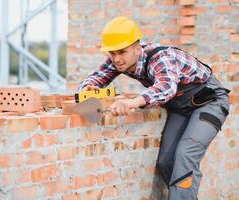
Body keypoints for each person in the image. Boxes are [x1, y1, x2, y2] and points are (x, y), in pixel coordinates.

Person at [78, 16, 230, 199]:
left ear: (136, 48)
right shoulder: (118, 60)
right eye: (112, 53)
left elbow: (167, 87)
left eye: (122, 52)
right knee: (167, 160)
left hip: (210, 101)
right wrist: (88, 88)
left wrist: (134, 102)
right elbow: (97, 77)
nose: (116, 59)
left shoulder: (160, 57)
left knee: (185, 154)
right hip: (181, 107)